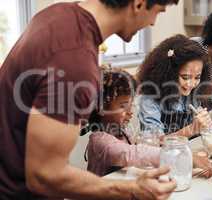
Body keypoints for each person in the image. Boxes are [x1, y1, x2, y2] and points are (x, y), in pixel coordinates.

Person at [0, 0, 179, 199]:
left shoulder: (57, 14)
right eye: (158, 12)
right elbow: (44, 175)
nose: (153, 23)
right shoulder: (73, 60)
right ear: (139, 3)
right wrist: (133, 190)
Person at [82, 68, 212, 177]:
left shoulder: (122, 131)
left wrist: (179, 151)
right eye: (123, 106)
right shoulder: (100, 141)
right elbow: (132, 154)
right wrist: (186, 158)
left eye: (131, 105)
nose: (130, 112)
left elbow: (148, 148)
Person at [137, 34, 212, 138]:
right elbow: (154, 143)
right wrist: (192, 129)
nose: (191, 84)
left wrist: (205, 124)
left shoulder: (192, 95)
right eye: (185, 77)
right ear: (168, 74)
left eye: (197, 77)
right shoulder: (149, 100)